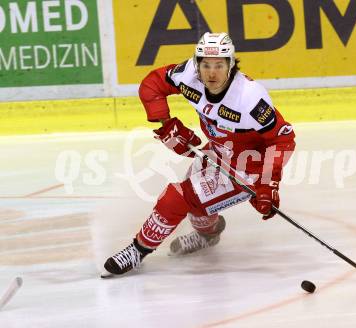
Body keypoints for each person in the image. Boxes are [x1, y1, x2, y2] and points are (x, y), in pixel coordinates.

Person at [101, 32, 295, 277]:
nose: (211, 73)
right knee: (195, 201)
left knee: (178, 197)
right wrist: (166, 124)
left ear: (231, 65)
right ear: (197, 63)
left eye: (219, 65)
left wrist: (268, 183)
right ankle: (208, 235)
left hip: (247, 168)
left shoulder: (249, 98)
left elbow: (283, 138)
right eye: (205, 65)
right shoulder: (188, 74)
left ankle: (137, 251)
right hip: (217, 152)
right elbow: (152, 84)